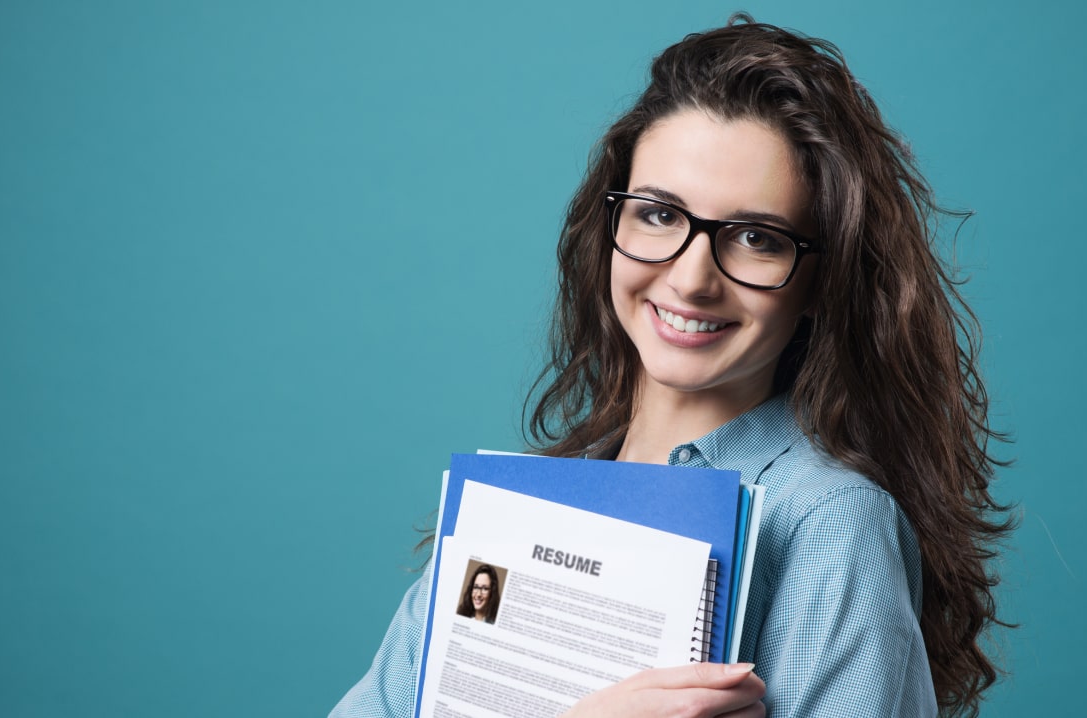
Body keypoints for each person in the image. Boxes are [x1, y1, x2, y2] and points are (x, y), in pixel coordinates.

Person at [331, 14, 1010, 718]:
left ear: (819, 284)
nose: (691, 280)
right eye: (658, 215)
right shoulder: (520, 509)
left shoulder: (831, 521)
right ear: (610, 229)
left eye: (755, 237)